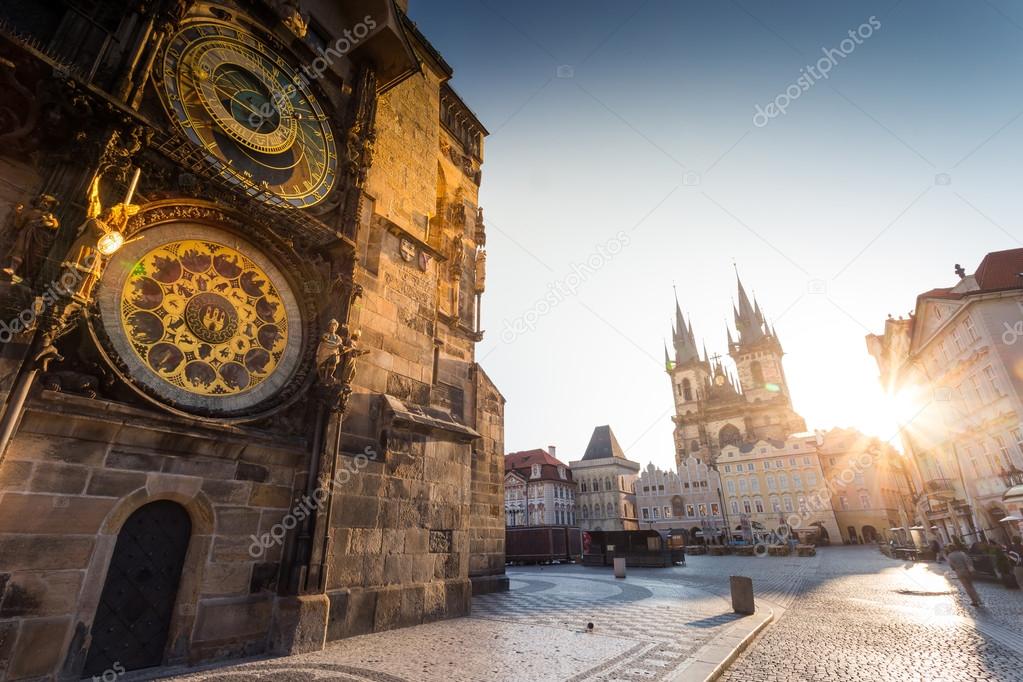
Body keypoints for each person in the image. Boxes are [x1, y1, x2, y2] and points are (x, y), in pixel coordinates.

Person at [947, 542, 982, 606]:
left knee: (967, 587)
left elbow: (951, 565)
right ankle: (978, 599)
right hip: (967, 571)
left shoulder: (950, 556)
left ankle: (974, 601)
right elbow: (968, 561)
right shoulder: (962, 553)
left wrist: (955, 568)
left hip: (959, 572)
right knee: (971, 585)